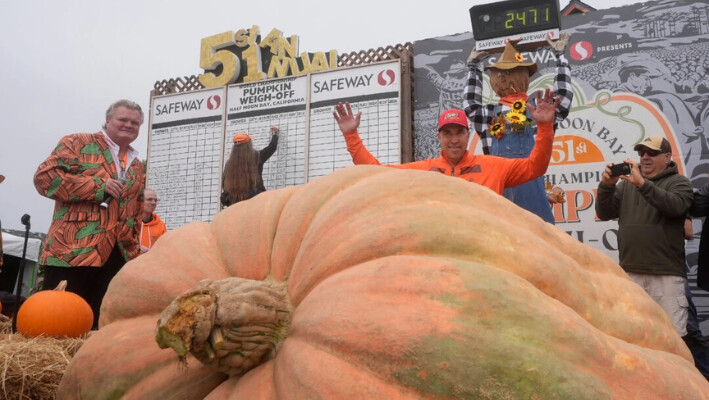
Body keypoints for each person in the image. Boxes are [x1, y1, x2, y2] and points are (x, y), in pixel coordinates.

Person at [34, 99, 146, 329]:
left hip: (118, 254)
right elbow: (44, 180)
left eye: (135, 122)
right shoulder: (77, 142)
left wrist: (134, 250)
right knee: (58, 322)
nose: (129, 125)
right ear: (107, 120)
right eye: (122, 119)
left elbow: (136, 209)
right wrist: (97, 187)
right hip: (74, 249)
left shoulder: (136, 164)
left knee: (100, 325)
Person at [333, 88, 561, 195]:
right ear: (439, 137)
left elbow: (535, 167)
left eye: (459, 133)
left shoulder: (495, 167)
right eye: (448, 133)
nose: (454, 140)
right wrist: (351, 136)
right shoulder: (423, 171)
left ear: (468, 135)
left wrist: (544, 127)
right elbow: (376, 172)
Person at [463, 35, 572, 223]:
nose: (503, 78)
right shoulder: (489, 115)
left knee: (539, 242)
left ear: (523, 77)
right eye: (498, 73)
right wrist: (473, 67)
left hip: (533, 192)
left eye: (509, 72)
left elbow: (562, 99)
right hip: (499, 194)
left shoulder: (538, 108)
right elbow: (470, 104)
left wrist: (560, 56)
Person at [595, 136, 693, 340]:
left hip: (665, 274)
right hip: (631, 273)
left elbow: (675, 207)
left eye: (652, 153)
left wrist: (642, 184)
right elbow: (604, 214)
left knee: (671, 338)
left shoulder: (679, 182)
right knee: (635, 335)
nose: (645, 157)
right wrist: (606, 186)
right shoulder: (626, 185)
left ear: (667, 157)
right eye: (642, 153)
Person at [220, 126, 279, 207]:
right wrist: (275, 134)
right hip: (254, 201)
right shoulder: (257, 157)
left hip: (234, 202)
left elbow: (224, 184)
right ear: (248, 145)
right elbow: (271, 148)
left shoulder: (229, 163)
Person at [683, 217, 709, 380]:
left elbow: (688, 231)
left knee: (689, 327)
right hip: (632, 266)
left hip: (668, 268)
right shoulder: (626, 192)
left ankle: (706, 374)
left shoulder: (674, 191)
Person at [139, 188, 166, 254]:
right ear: (141, 201)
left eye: (155, 200)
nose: (154, 203)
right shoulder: (129, 222)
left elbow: (164, 248)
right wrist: (137, 248)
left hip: (151, 263)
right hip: (131, 263)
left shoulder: (161, 225)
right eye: (149, 199)